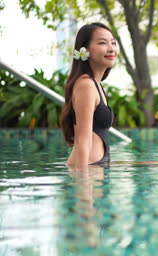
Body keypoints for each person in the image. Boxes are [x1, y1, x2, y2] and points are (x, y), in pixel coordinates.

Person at [60, 22, 118, 168]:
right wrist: (84, 183)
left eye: (113, 43)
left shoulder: (95, 84)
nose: (111, 49)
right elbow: (83, 141)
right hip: (88, 168)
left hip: (96, 166)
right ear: (86, 50)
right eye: (103, 43)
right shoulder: (86, 85)